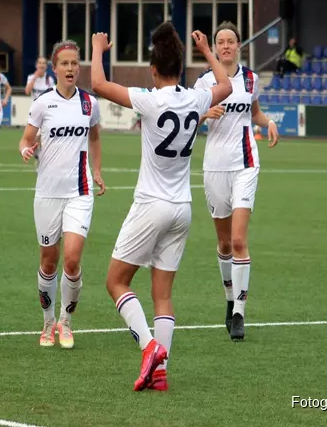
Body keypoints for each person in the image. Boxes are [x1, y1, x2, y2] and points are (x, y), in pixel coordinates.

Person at [91, 23, 233, 391]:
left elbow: (99, 86)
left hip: (151, 205)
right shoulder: (196, 98)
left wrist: (98, 51)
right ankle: (160, 373)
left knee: (116, 281)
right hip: (182, 208)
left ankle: (149, 346)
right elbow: (227, 86)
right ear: (181, 67)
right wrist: (207, 52)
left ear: (153, 70)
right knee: (163, 295)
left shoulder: (150, 99)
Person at [193, 21, 279, 342]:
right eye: (221, 42)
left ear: (239, 46)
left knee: (240, 241)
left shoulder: (251, 79)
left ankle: (240, 312)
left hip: (245, 164)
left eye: (231, 41)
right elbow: (187, 117)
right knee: (224, 243)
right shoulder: (204, 83)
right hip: (214, 167)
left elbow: (254, 112)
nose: (226, 46)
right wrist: (204, 115)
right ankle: (229, 300)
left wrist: (268, 122)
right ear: (215, 48)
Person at [18, 40, 106, 350]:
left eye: (74, 63)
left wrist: (96, 171)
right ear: (55, 69)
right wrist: (26, 149)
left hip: (79, 193)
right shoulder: (43, 103)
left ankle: (66, 322)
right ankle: (47, 322)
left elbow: (94, 138)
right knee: (49, 262)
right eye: (64, 63)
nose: (70, 68)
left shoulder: (89, 104)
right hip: (46, 194)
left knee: (71, 260)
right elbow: (26, 139)